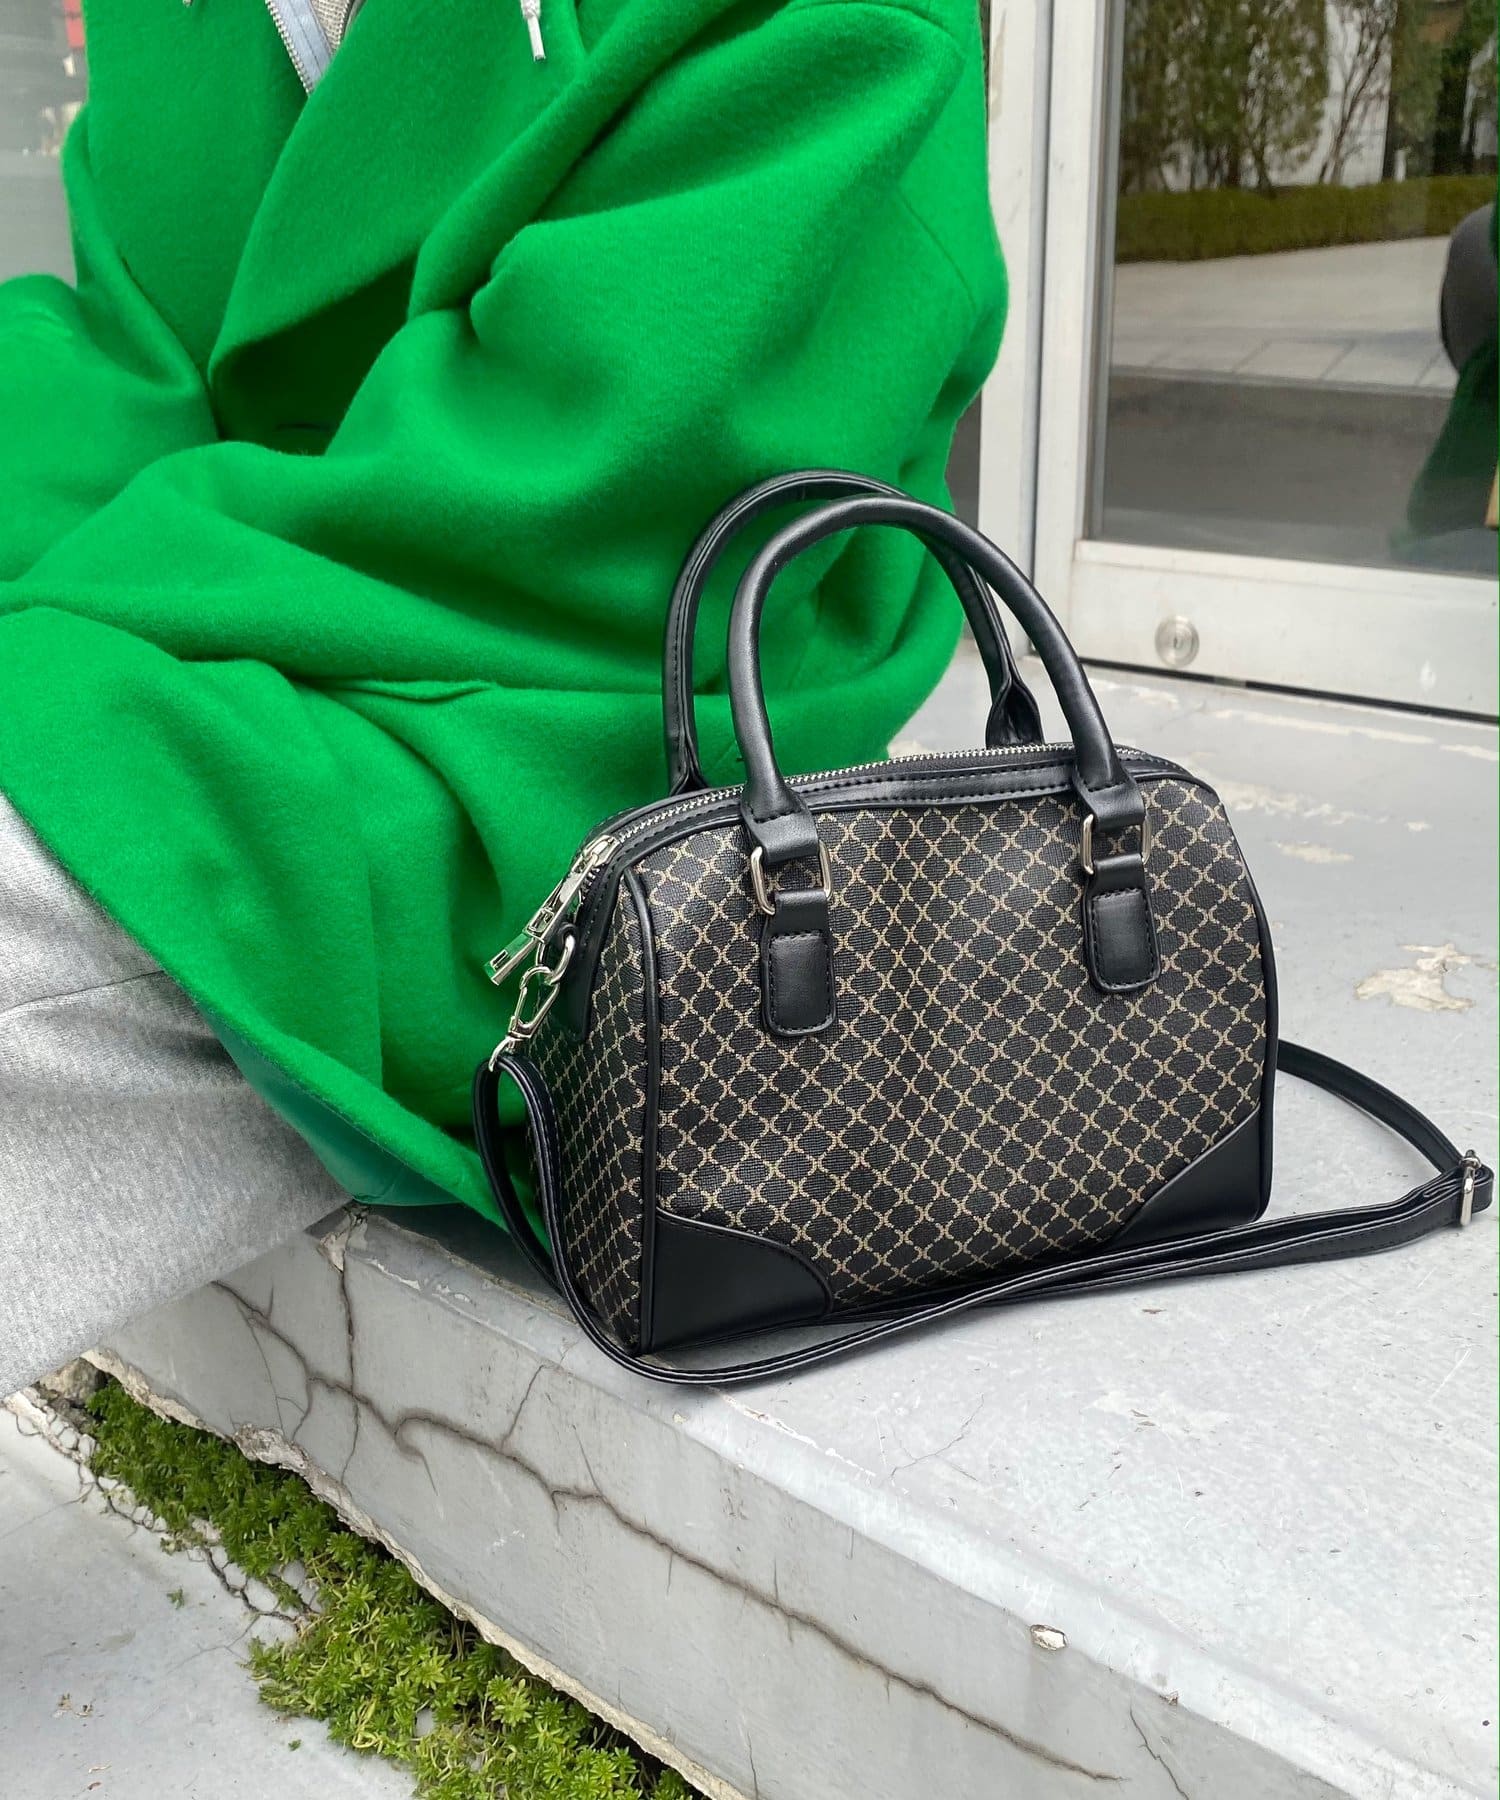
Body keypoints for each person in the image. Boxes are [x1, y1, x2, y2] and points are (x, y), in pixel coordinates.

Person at [0, 0, 1006, 1395]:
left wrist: (89, 597)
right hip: (244, 629)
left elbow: (637, 448)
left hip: (583, 725)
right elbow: (131, 360)